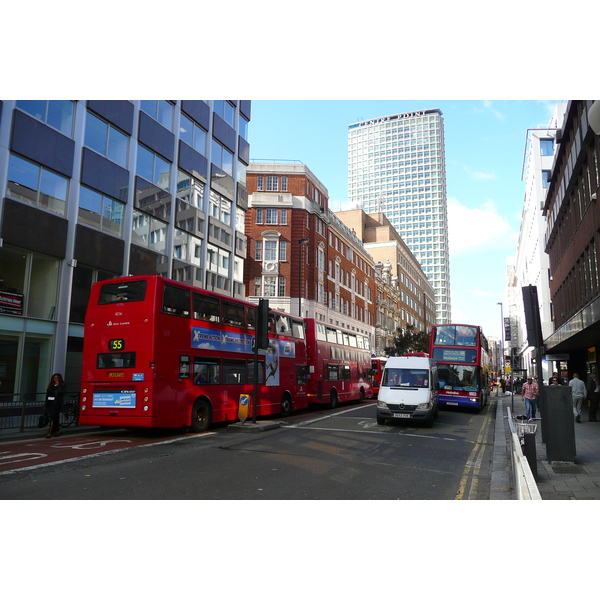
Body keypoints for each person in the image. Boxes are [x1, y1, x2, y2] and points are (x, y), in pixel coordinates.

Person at [45, 373, 66, 438]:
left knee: (52, 417)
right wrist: (45, 404)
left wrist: (58, 386)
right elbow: (47, 394)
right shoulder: (51, 385)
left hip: (56, 403)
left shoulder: (62, 385)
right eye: (55, 379)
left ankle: (49, 432)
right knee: (55, 417)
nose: (56, 380)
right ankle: (57, 430)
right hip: (50, 403)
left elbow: (62, 392)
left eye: (57, 378)